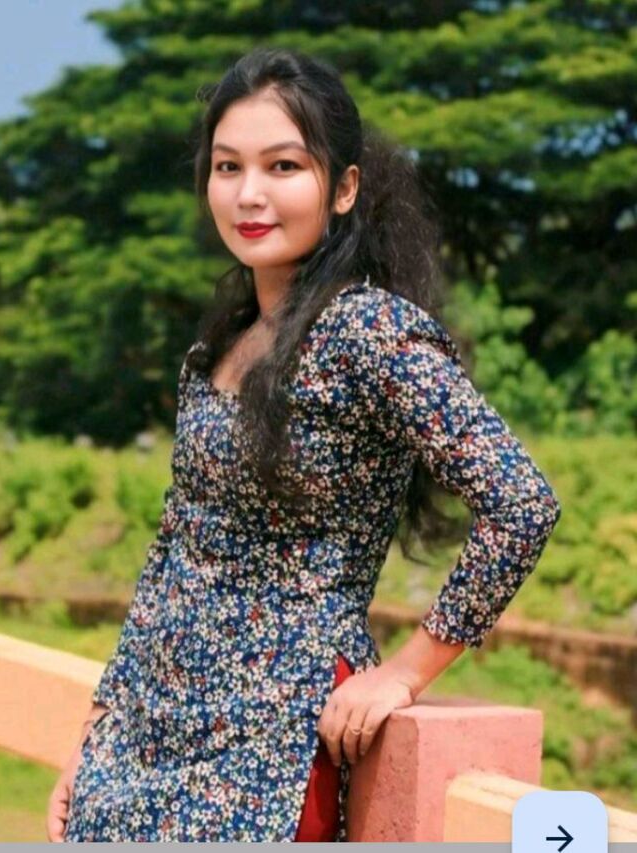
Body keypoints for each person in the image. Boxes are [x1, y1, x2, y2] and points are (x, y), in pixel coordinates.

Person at [48, 46, 561, 843]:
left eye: (283, 166)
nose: (249, 193)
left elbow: (522, 503)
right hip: (147, 735)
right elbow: (175, 552)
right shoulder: (218, 345)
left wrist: (406, 671)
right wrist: (97, 734)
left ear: (344, 187)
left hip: (270, 745)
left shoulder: (368, 333)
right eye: (228, 166)